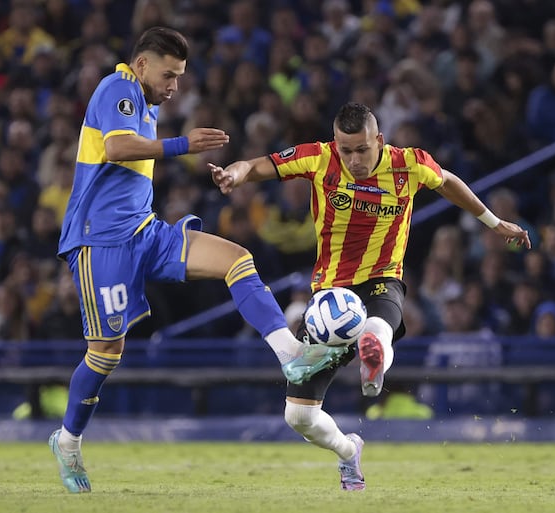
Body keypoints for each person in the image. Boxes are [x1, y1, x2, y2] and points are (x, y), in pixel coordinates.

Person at [48, 27, 346, 494]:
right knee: (107, 352)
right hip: (99, 244)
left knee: (236, 258)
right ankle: (67, 441)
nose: (175, 87)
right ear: (143, 64)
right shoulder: (118, 87)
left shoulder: (144, 102)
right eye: (169, 75)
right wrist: (181, 145)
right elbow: (116, 148)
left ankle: (291, 355)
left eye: (180, 77)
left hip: (144, 231)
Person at [210, 102, 531, 491]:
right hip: (330, 297)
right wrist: (235, 173)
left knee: (380, 324)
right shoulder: (320, 158)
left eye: (362, 149)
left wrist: (495, 224)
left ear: (378, 140)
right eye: (346, 150)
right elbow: (262, 164)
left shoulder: (407, 164)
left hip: (382, 279)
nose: (354, 159)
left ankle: (372, 360)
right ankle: (349, 452)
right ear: (336, 144)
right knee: (298, 417)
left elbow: (447, 182)